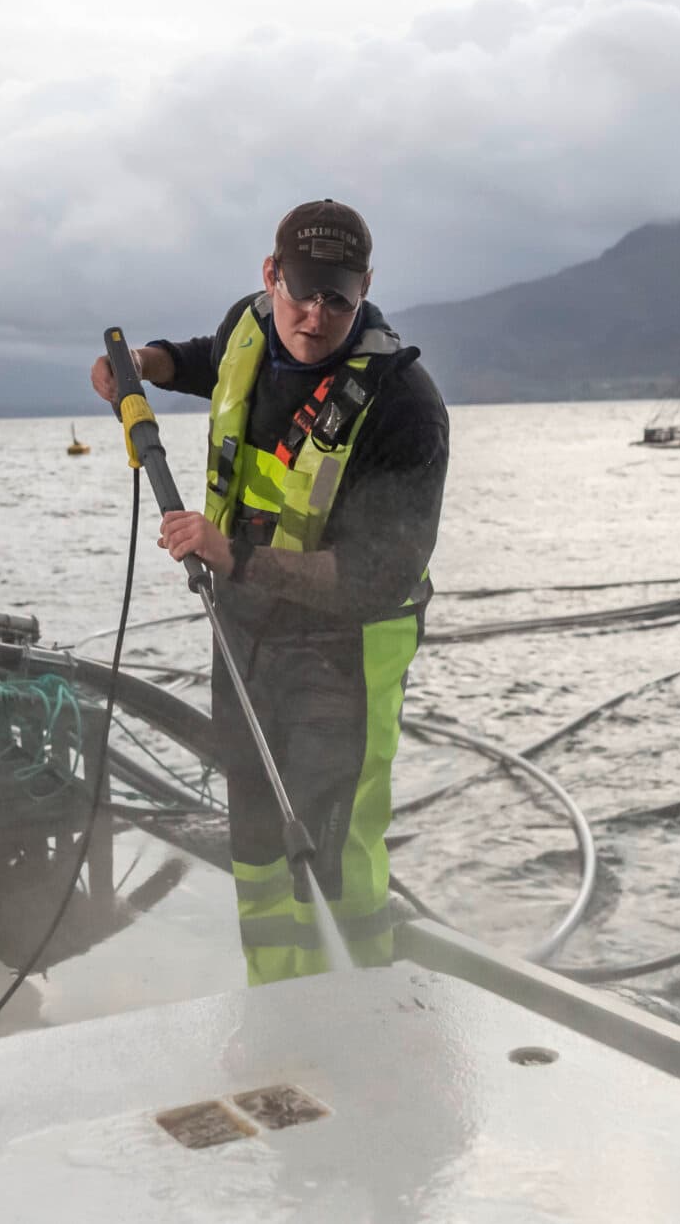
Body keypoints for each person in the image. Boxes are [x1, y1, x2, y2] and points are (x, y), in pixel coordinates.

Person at [89, 200, 449, 984]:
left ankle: (366, 1013)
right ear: (269, 275)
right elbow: (212, 356)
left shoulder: (406, 406)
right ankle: (280, 1004)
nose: (314, 318)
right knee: (254, 834)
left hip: (349, 648)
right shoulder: (251, 325)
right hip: (245, 630)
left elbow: (376, 574)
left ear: (366, 290)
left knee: (333, 843)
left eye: (338, 300)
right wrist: (144, 366)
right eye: (300, 293)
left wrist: (234, 556)